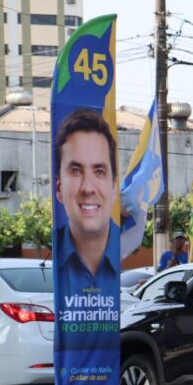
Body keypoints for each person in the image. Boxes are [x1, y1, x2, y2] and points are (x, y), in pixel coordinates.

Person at [54, 108, 119, 283]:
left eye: (99, 171)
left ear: (114, 187)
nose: (88, 188)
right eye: (76, 170)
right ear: (59, 188)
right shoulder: (55, 257)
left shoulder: (127, 244)